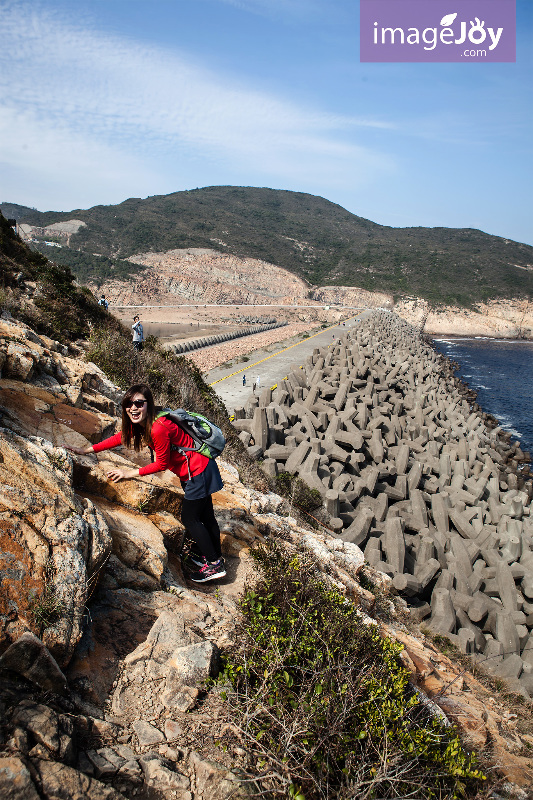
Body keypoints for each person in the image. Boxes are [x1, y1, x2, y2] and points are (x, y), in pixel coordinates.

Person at [65, 383, 226, 583]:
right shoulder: (145, 422)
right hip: (198, 469)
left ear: (148, 404)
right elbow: (119, 438)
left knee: (190, 517)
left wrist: (128, 473)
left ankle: (214, 564)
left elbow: (162, 464)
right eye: (128, 403)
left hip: (197, 471)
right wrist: (87, 450)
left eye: (139, 403)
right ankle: (213, 557)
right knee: (206, 516)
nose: (133, 408)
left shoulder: (158, 428)